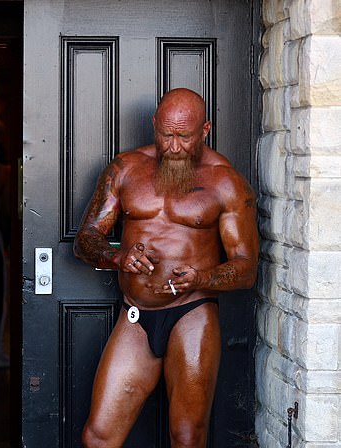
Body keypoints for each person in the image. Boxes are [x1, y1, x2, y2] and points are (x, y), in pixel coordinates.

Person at [73, 88, 259, 447]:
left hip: (193, 312)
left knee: (187, 438)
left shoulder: (225, 182)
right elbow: (86, 240)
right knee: (98, 436)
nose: (174, 146)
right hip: (136, 314)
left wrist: (202, 278)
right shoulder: (125, 169)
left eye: (184, 137)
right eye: (166, 135)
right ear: (154, 124)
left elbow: (246, 268)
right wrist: (117, 257)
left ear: (205, 130)